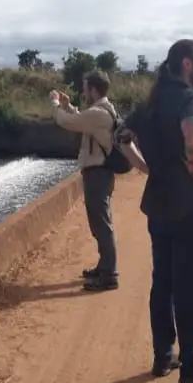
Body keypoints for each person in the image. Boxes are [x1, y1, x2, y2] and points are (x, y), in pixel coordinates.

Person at [115, 39, 193, 383]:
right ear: (187, 63)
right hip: (192, 207)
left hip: (160, 205)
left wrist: (145, 167)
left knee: (163, 281)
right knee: (190, 286)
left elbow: (122, 136)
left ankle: (163, 354)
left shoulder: (152, 101)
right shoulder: (189, 98)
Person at [50, 70, 127, 292]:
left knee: (102, 224)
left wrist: (55, 104)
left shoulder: (98, 114)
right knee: (99, 222)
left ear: (93, 89)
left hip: (98, 174)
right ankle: (104, 267)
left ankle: (109, 275)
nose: (83, 90)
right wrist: (68, 105)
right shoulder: (102, 110)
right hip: (99, 173)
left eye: (85, 87)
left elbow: (67, 122)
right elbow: (81, 120)